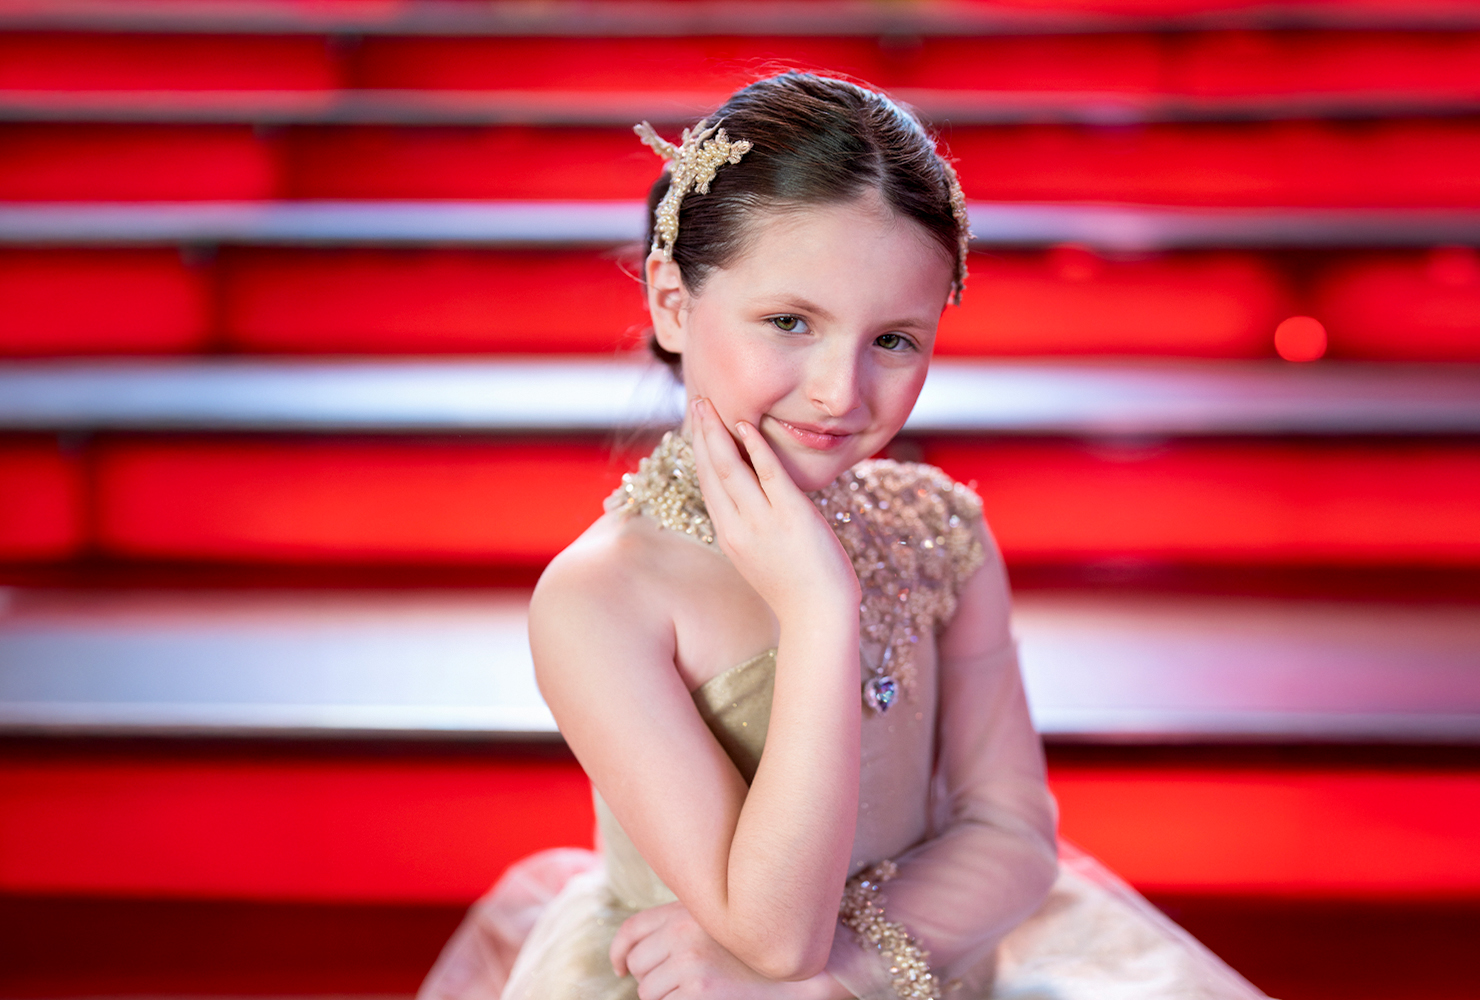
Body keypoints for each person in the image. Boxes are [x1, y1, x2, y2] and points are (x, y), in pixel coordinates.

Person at [419, 72, 1269, 1000]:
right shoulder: (605, 596)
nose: (840, 392)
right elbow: (774, 934)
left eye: (895, 340)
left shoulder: (939, 529)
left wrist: (850, 973)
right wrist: (819, 606)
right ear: (672, 302)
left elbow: (1016, 835)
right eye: (789, 322)